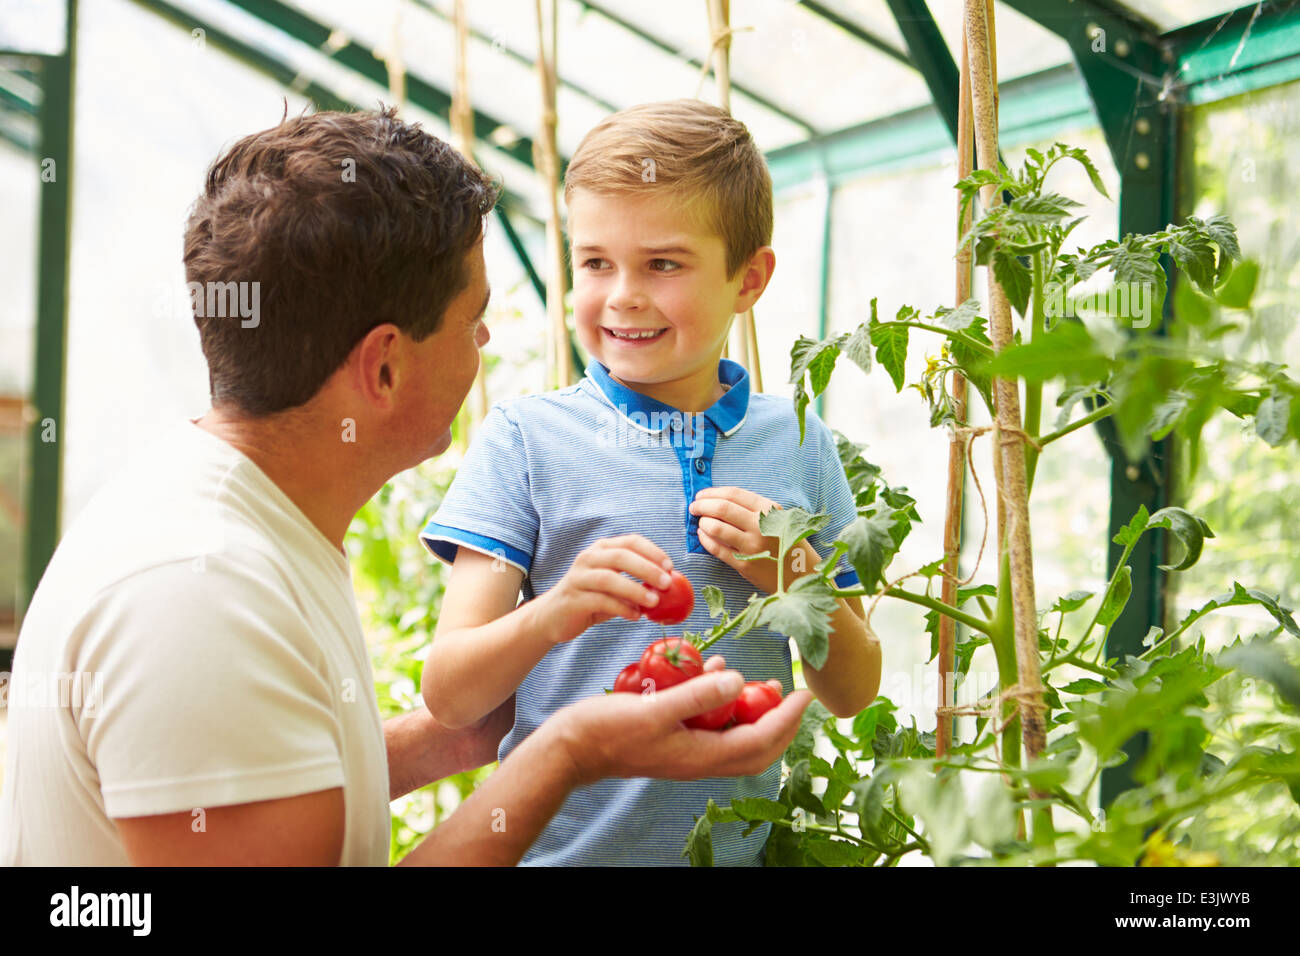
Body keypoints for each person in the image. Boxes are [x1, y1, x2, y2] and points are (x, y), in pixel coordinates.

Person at [0, 106, 814, 867]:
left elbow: (277, 778)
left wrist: (456, 739)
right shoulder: (195, 596)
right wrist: (569, 756)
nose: (487, 340)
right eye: (472, 319)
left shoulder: (238, 525)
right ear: (384, 366)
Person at [419, 100, 883, 866]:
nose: (623, 295)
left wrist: (799, 582)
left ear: (750, 279)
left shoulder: (800, 443)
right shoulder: (526, 440)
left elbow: (853, 689)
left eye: (662, 264)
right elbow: (451, 693)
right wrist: (557, 611)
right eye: (596, 262)